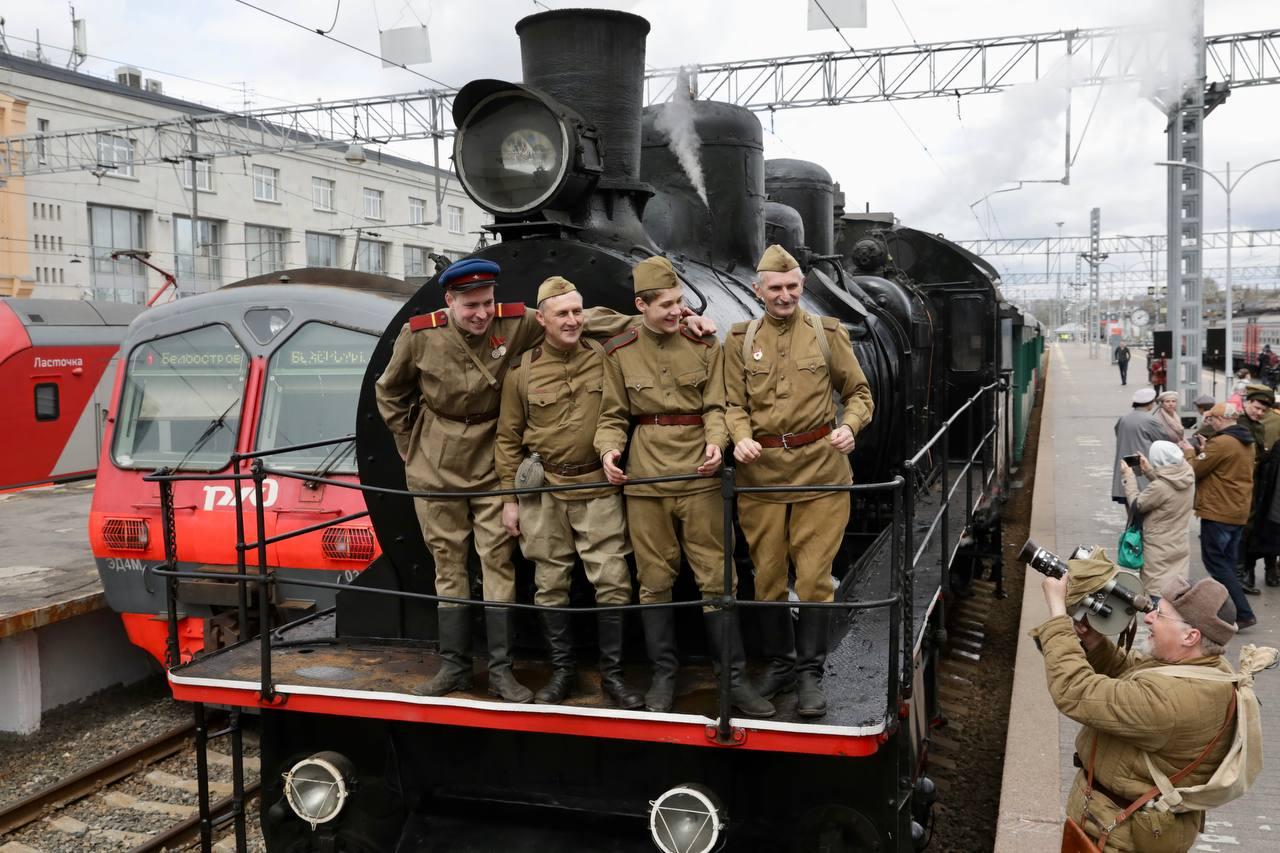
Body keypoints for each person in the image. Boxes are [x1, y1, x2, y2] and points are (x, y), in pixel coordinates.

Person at [374, 259, 651, 701]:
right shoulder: (420, 335)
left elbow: (577, 317)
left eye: (487, 303)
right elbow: (389, 391)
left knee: (497, 563)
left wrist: (653, 317)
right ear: (449, 302)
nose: (482, 314)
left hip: (490, 463)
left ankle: (501, 671)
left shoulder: (517, 322)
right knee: (448, 566)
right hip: (435, 465)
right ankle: (454, 668)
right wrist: (409, 442)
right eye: (470, 306)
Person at [595, 255, 774, 718]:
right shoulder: (619, 351)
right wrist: (608, 451)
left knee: (718, 577)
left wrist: (718, 443)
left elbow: (717, 405)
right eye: (667, 305)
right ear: (641, 305)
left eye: (680, 302)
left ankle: (733, 681)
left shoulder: (705, 345)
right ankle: (664, 678)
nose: (677, 311)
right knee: (654, 583)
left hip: (699, 476)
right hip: (646, 482)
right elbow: (613, 415)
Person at [724, 244, 874, 717]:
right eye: (776, 288)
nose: (785, 295)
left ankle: (810, 673)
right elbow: (731, 404)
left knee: (812, 579)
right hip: (761, 476)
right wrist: (741, 436)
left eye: (792, 287)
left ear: (801, 286)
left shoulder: (828, 334)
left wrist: (850, 426)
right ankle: (780, 664)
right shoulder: (739, 339)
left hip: (821, 473)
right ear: (758, 291)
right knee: (766, 578)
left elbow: (859, 392)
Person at [493, 276, 644, 709]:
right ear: (541, 319)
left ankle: (612, 676)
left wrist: (689, 319)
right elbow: (508, 439)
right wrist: (509, 501)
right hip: (544, 493)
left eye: (578, 312)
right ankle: (562, 673)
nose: (573, 320)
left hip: (596, 486)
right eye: (562, 313)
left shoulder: (604, 358)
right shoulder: (521, 371)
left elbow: (642, 325)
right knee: (550, 583)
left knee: (613, 580)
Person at [1031, 574, 1240, 852]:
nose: (1149, 618)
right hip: (1118, 825)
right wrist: (1095, 642)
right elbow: (1134, 677)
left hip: (1118, 835)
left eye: (1161, 615)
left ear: (1191, 636)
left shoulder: (1172, 700)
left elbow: (1075, 691)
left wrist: (1057, 617)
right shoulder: (1207, 668)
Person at [1179, 403, 1258, 630]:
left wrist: (1189, 451)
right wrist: (1206, 449)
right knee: (1228, 563)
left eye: (1211, 419)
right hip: (1237, 510)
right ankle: (1228, 610)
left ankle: (1243, 613)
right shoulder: (1245, 440)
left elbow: (1194, 469)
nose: (1209, 422)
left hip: (1218, 510)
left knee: (1216, 562)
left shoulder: (1222, 442)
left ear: (1221, 419)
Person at [1119, 441, 1195, 596]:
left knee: (1158, 594)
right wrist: (1149, 472)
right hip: (1178, 543)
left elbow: (1137, 505)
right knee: (1175, 590)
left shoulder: (1159, 487)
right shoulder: (1187, 474)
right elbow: (1169, 488)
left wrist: (1128, 477)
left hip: (1159, 549)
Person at [1239, 384, 1280, 593]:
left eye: (1263, 410)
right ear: (1248, 403)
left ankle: (1248, 573)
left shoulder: (1259, 426)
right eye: (1256, 408)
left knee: (1258, 527)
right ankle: (1248, 573)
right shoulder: (1240, 424)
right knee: (1252, 528)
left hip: (1260, 485)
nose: (1259, 413)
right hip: (1248, 487)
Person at [1112, 388, 1168, 504]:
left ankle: (1132, 521)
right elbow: (1163, 440)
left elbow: (1118, 433)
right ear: (1150, 403)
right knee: (1142, 496)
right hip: (1142, 461)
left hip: (1126, 460)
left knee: (1128, 494)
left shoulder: (1124, 418)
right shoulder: (1150, 420)